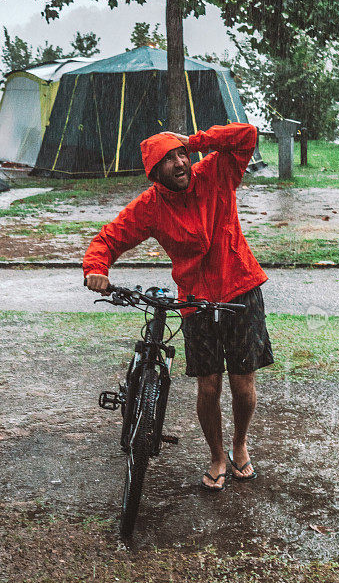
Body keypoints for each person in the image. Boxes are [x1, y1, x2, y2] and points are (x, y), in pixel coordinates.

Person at [84, 122, 274, 491]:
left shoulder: (215, 172)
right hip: (196, 300)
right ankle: (217, 456)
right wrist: (96, 269)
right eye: (168, 160)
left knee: (243, 383)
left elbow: (247, 135)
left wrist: (196, 140)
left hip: (240, 286)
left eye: (181, 155)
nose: (180, 163)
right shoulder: (151, 206)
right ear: (154, 174)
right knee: (208, 386)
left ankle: (240, 444)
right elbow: (109, 238)